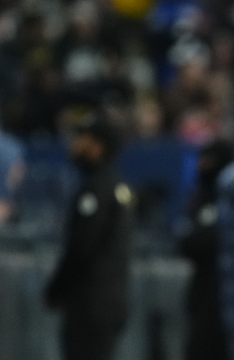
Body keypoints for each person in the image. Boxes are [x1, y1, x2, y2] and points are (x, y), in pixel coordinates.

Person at [43, 115, 133, 360]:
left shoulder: (97, 189)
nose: (75, 144)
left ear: (97, 147)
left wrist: (55, 290)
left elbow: (81, 248)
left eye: (82, 138)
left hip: (90, 305)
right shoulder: (118, 185)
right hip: (110, 302)